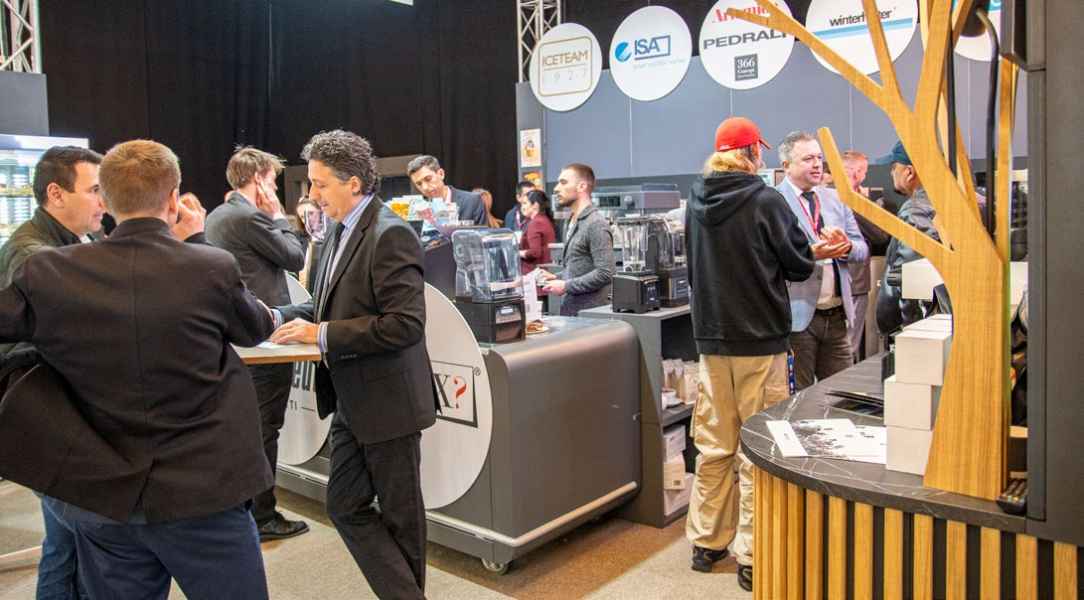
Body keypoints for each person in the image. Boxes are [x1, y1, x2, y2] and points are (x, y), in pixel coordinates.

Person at [0, 139, 275, 600]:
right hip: (204, 493)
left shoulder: (49, 272)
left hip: (104, 493)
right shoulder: (210, 266)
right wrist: (196, 240)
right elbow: (254, 327)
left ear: (107, 201)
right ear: (173, 198)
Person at [270, 130, 438, 600]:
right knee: (344, 505)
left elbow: (405, 324)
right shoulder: (334, 234)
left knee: (402, 517)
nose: (312, 194)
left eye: (320, 184)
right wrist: (276, 317)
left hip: (390, 401)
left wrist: (321, 334)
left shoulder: (390, 234)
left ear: (354, 183)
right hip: (349, 398)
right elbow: (324, 306)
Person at [684, 117, 816, 589]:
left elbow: (692, 268)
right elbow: (799, 264)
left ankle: (706, 542)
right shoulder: (766, 200)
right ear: (752, 154)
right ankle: (753, 554)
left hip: (711, 342)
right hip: (760, 342)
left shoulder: (695, 200)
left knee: (713, 444)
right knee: (758, 448)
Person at [0, 145, 103, 599]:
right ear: (56, 194)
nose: (104, 201)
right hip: (47, 419)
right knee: (81, 541)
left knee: (64, 544)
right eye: (95, 190)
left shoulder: (77, 242)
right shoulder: (33, 255)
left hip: (57, 419)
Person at [205, 146, 308, 542]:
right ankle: (263, 515)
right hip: (265, 335)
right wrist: (280, 216)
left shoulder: (218, 215)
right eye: (272, 181)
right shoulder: (251, 217)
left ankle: (246, 508)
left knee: (249, 426)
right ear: (259, 179)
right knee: (266, 428)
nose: (275, 189)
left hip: (237, 334)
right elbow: (295, 257)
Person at [775, 131, 869, 389]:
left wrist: (846, 247)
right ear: (786, 165)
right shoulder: (774, 202)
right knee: (800, 397)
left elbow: (862, 249)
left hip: (837, 315)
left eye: (819, 158)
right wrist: (810, 253)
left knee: (842, 392)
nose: (817, 164)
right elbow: (770, 258)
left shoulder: (836, 198)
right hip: (798, 317)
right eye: (808, 159)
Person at [873, 141, 942, 334]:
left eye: (894, 167)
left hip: (921, 330)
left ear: (909, 172)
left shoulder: (915, 210)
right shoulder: (957, 203)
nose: (891, 173)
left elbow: (911, 282)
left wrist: (909, 332)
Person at [541, 163, 614, 316]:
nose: (556, 188)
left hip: (590, 317)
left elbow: (605, 273)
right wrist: (557, 277)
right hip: (572, 313)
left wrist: (566, 286)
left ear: (582, 186)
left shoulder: (595, 224)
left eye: (563, 182)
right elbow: (581, 266)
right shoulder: (571, 221)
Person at [840, 150, 891, 359]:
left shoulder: (823, 196)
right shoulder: (852, 201)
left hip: (834, 283)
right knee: (848, 346)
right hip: (855, 281)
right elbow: (880, 235)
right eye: (864, 171)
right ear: (856, 172)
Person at [406, 154, 486, 226]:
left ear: (441, 174)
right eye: (419, 184)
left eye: (428, 179)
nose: (425, 187)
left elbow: (481, 235)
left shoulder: (472, 201)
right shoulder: (416, 209)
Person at [518, 189, 556, 274]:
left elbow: (535, 252)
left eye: (525, 203)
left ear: (535, 205)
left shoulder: (536, 222)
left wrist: (518, 253)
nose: (522, 207)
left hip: (534, 273)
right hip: (543, 271)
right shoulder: (544, 219)